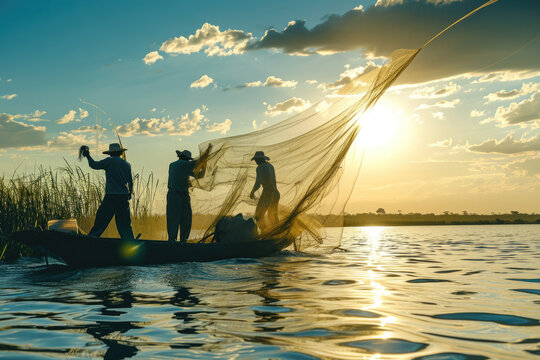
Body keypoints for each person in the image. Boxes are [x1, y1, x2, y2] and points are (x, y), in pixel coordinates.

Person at [81, 143, 134, 239]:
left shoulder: (109, 161)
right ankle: (130, 240)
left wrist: (88, 156)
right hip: (123, 196)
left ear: (110, 154)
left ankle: (92, 237)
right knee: (124, 223)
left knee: (102, 219)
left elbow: (94, 165)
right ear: (120, 152)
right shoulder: (126, 164)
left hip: (111, 196)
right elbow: (130, 181)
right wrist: (130, 193)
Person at [167, 149, 207, 242]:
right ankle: (180, 241)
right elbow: (196, 163)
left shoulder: (178, 166)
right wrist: (206, 155)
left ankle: (173, 240)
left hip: (178, 195)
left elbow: (198, 176)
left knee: (175, 218)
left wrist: (203, 166)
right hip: (177, 195)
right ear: (185, 159)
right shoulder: (182, 165)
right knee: (184, 219)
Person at [249, 151, 280, 230]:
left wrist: (252, 192)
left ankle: (265, 234)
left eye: (256, 159)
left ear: (260, 159)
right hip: (276, 193)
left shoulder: (260, 167)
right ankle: (277, 233)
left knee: (258, 216)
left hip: (268, 193)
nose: (255, 161)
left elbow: (258, 183)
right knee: (272, 216)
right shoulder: (270, 166)